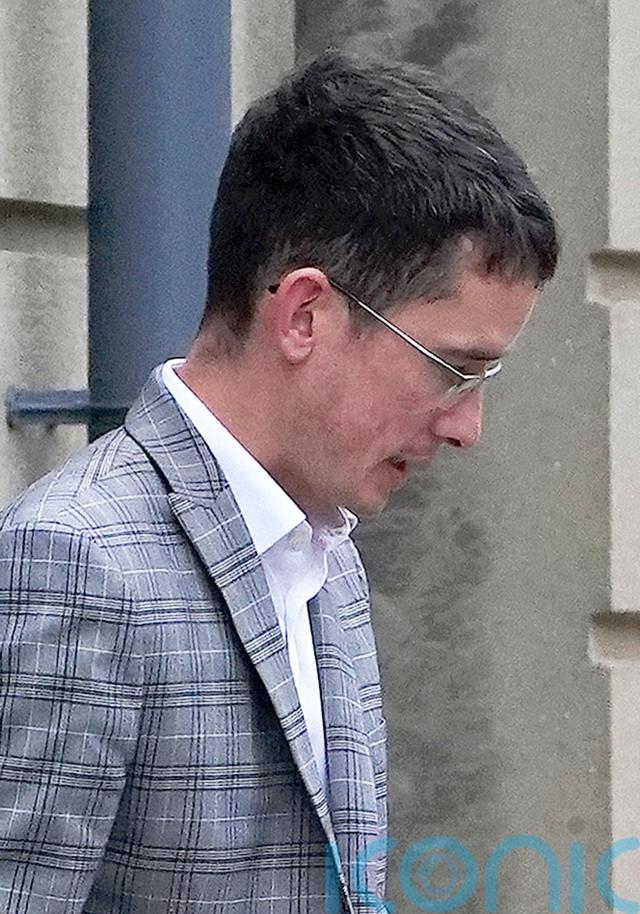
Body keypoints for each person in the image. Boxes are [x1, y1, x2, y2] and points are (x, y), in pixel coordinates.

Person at [0, 51, 557, 914]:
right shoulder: (76, 561)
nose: (466, 427)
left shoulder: (328, 559)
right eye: (453, 368)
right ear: (304, 314)